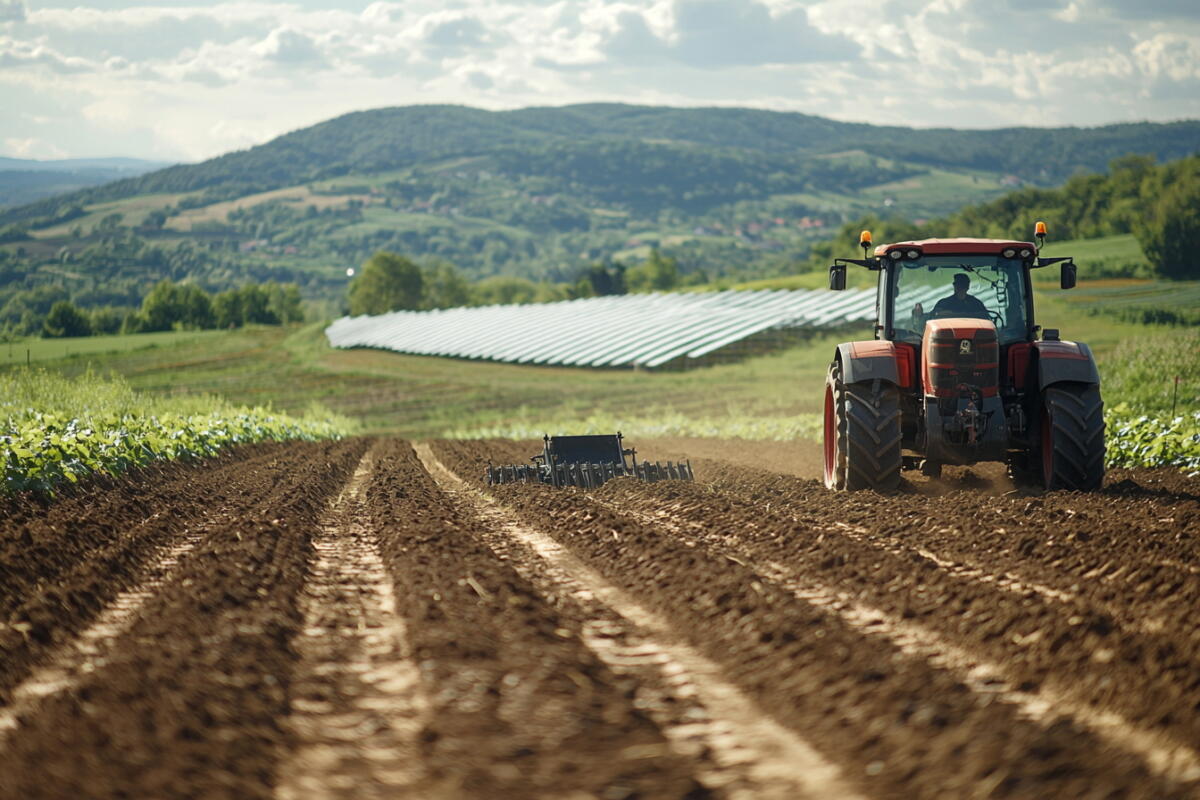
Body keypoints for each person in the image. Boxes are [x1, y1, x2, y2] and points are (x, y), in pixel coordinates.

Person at [914, 273, 989, 322]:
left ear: (967, 286)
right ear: (954, 285)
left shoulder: (976, 304)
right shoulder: (943, 304)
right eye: (957, 284)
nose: (959, 287)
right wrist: (920, 315)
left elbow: (985, 318)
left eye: (962, 284)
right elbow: (932, 317)